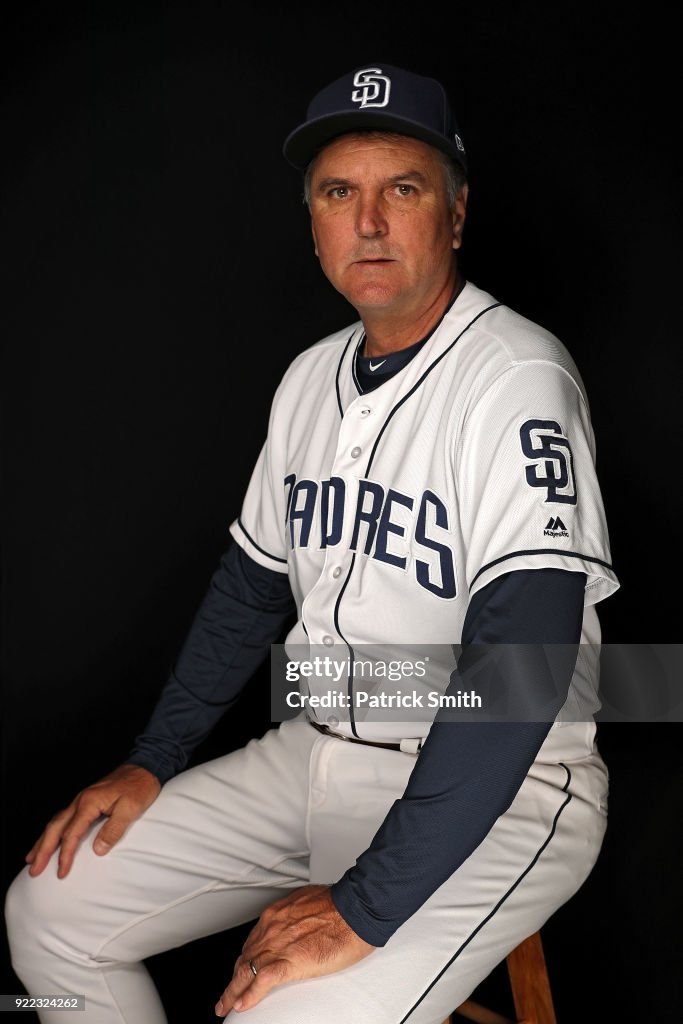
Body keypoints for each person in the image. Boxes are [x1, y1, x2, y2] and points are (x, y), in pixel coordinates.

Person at [5, 63, 619, 1024]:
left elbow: (521, 677)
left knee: (280, 1013)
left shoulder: (517, 378)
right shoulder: (308, 378)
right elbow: (251, 586)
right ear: (315, 222)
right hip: (316, 749)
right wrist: (153, 757)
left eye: (401, 190)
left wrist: (367, 907)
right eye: (340, 193)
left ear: (454, 217)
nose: (368, 221)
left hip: (507, 790)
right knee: (49, 906)